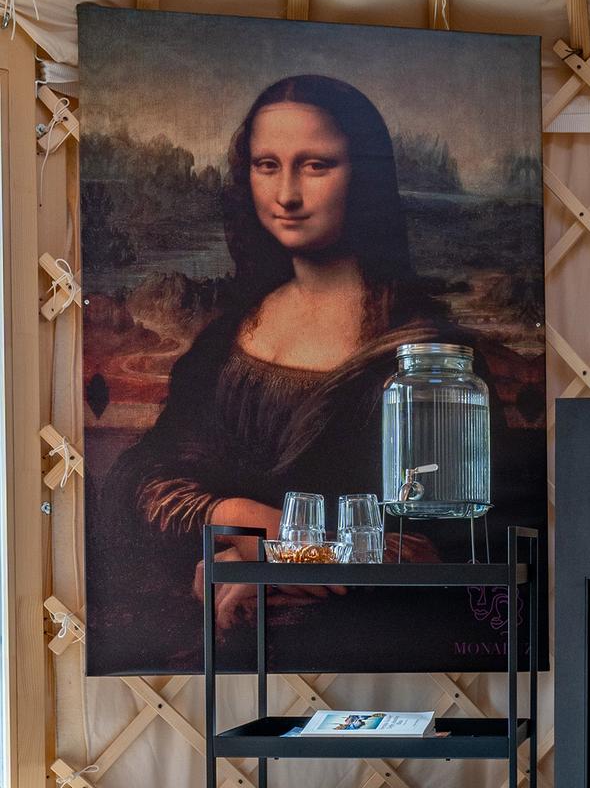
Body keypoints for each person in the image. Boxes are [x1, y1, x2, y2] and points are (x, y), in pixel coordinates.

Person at [99, 74, 470, 644]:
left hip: (374, 637)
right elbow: (140, 480)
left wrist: (285, 557)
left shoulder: (426, 354)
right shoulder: (227, 339)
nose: (287, 195)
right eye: (266, 165)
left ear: (364, 177)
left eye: (316, 165)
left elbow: (442, 539)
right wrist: (248, 522)